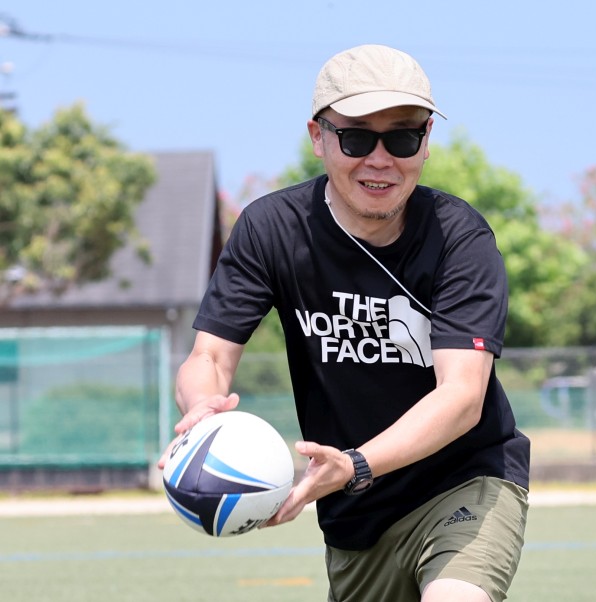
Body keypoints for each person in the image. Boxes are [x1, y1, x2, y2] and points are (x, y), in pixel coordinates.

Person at [160, 44, 530, 602]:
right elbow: (209, 357)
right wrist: (202, 412)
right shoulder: (272, 230)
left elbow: (462, 397)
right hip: (356, 520)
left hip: (463, 479)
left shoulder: (460, 239)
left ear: (426, 140)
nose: (380, 160)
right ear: (319, 137)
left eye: (402, 138)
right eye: (356, 138)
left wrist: (356, 464)